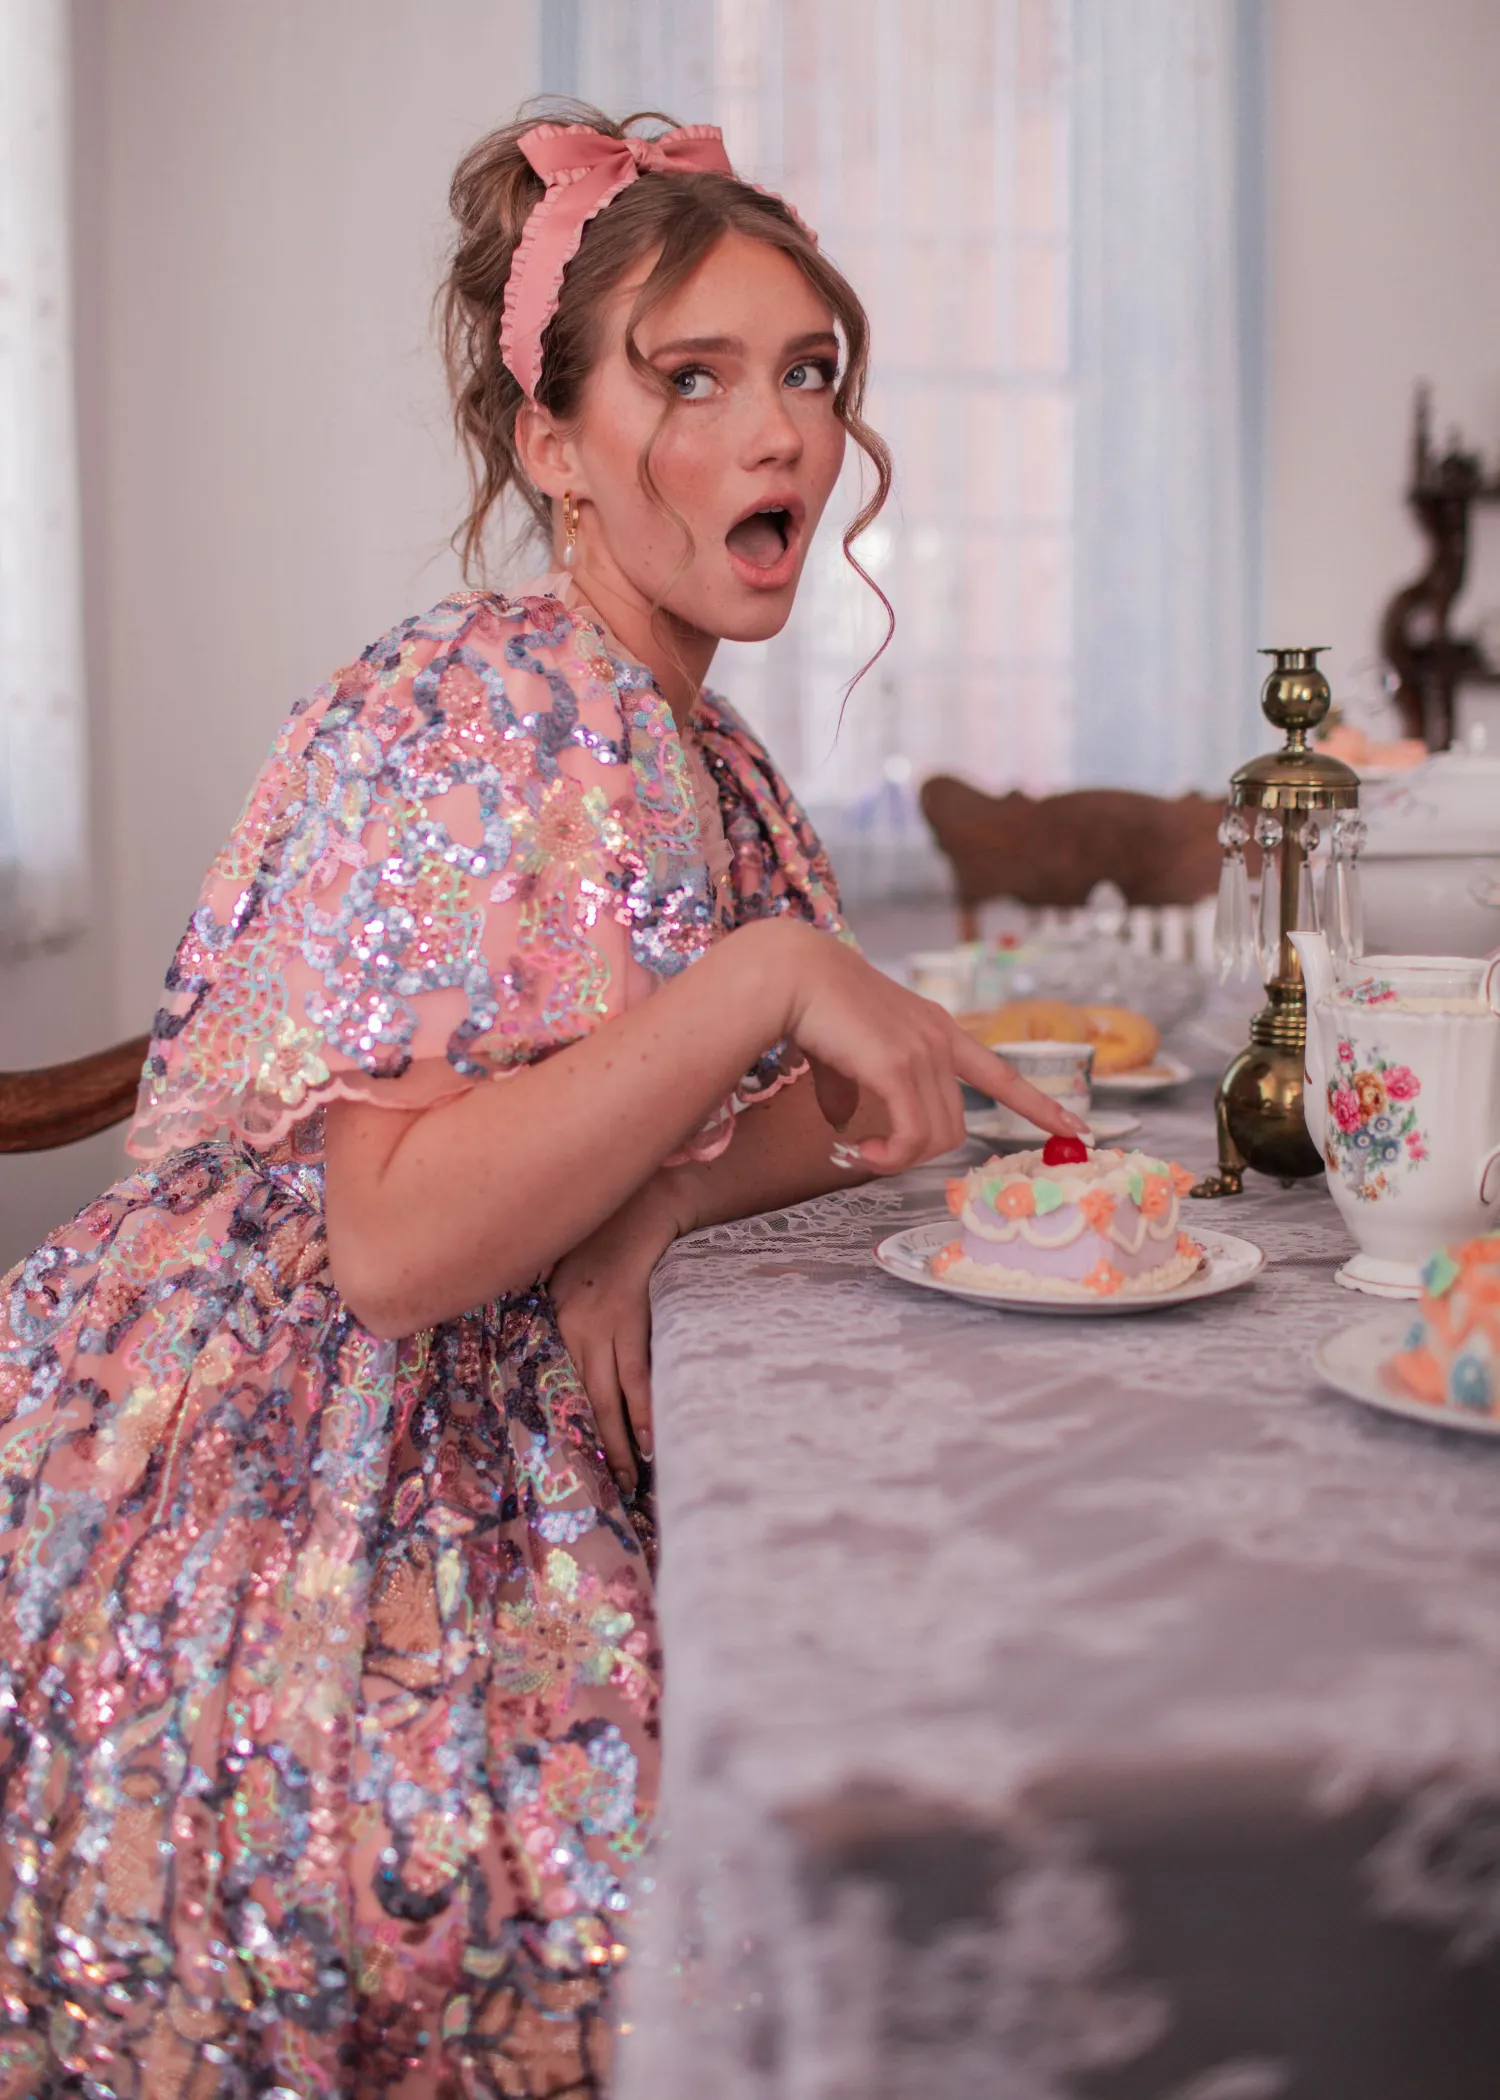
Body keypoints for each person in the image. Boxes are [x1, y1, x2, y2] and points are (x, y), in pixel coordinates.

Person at [0, 105, 1083, 2098]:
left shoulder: (701, 746)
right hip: (303, 1467)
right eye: (695, 380)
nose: (782, 434)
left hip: (515, 1400)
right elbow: (395, 1248)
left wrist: (671, 1193)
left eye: (808, 372)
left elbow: (720, 1116)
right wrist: (766, 979)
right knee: (754, 1862)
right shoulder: (479, 703)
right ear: (555, 445)